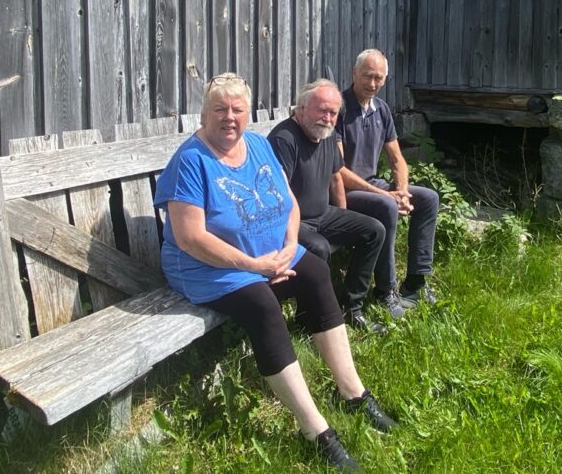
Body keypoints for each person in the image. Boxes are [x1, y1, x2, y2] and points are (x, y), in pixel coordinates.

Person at [154, 73, 395, 472]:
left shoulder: (258, 145)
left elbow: (290, 203)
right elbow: (190, 238)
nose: (229, 117)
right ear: (204, 113)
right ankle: (315, 429)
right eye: (220, 109)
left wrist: (287, 248)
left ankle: (352, 392)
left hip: (268, 252)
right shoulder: (191, 162)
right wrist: (254, 266)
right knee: (262, 304)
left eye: (238, 109)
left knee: (316, 272)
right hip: (208, 267)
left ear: (248, 114)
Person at [267, 80, 391, 333]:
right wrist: (292, 232)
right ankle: (310, 319)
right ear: (301, 109)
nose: (327, 117)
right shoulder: (284, 138)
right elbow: (279, 196)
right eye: (322, 110)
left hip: (323, 214)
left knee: (374, 230)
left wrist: (345, 215)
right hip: (291, 223)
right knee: (318, 247)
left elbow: (336, 178)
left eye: (333, 113)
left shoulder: (327, 135)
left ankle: (351, 307)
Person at [336, 49, 440, 308]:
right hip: (344, 192)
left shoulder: (380, 109)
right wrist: (388, 196)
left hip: (373, 185)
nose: (372, 84)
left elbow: (397, 160)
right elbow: (337, 171)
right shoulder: (338, 108)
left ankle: (415, 283)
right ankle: (386, 291)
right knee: (386, 205)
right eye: (367, 76)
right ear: (354, 73)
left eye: (379, 78)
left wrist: (402, 192)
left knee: (428, 198)